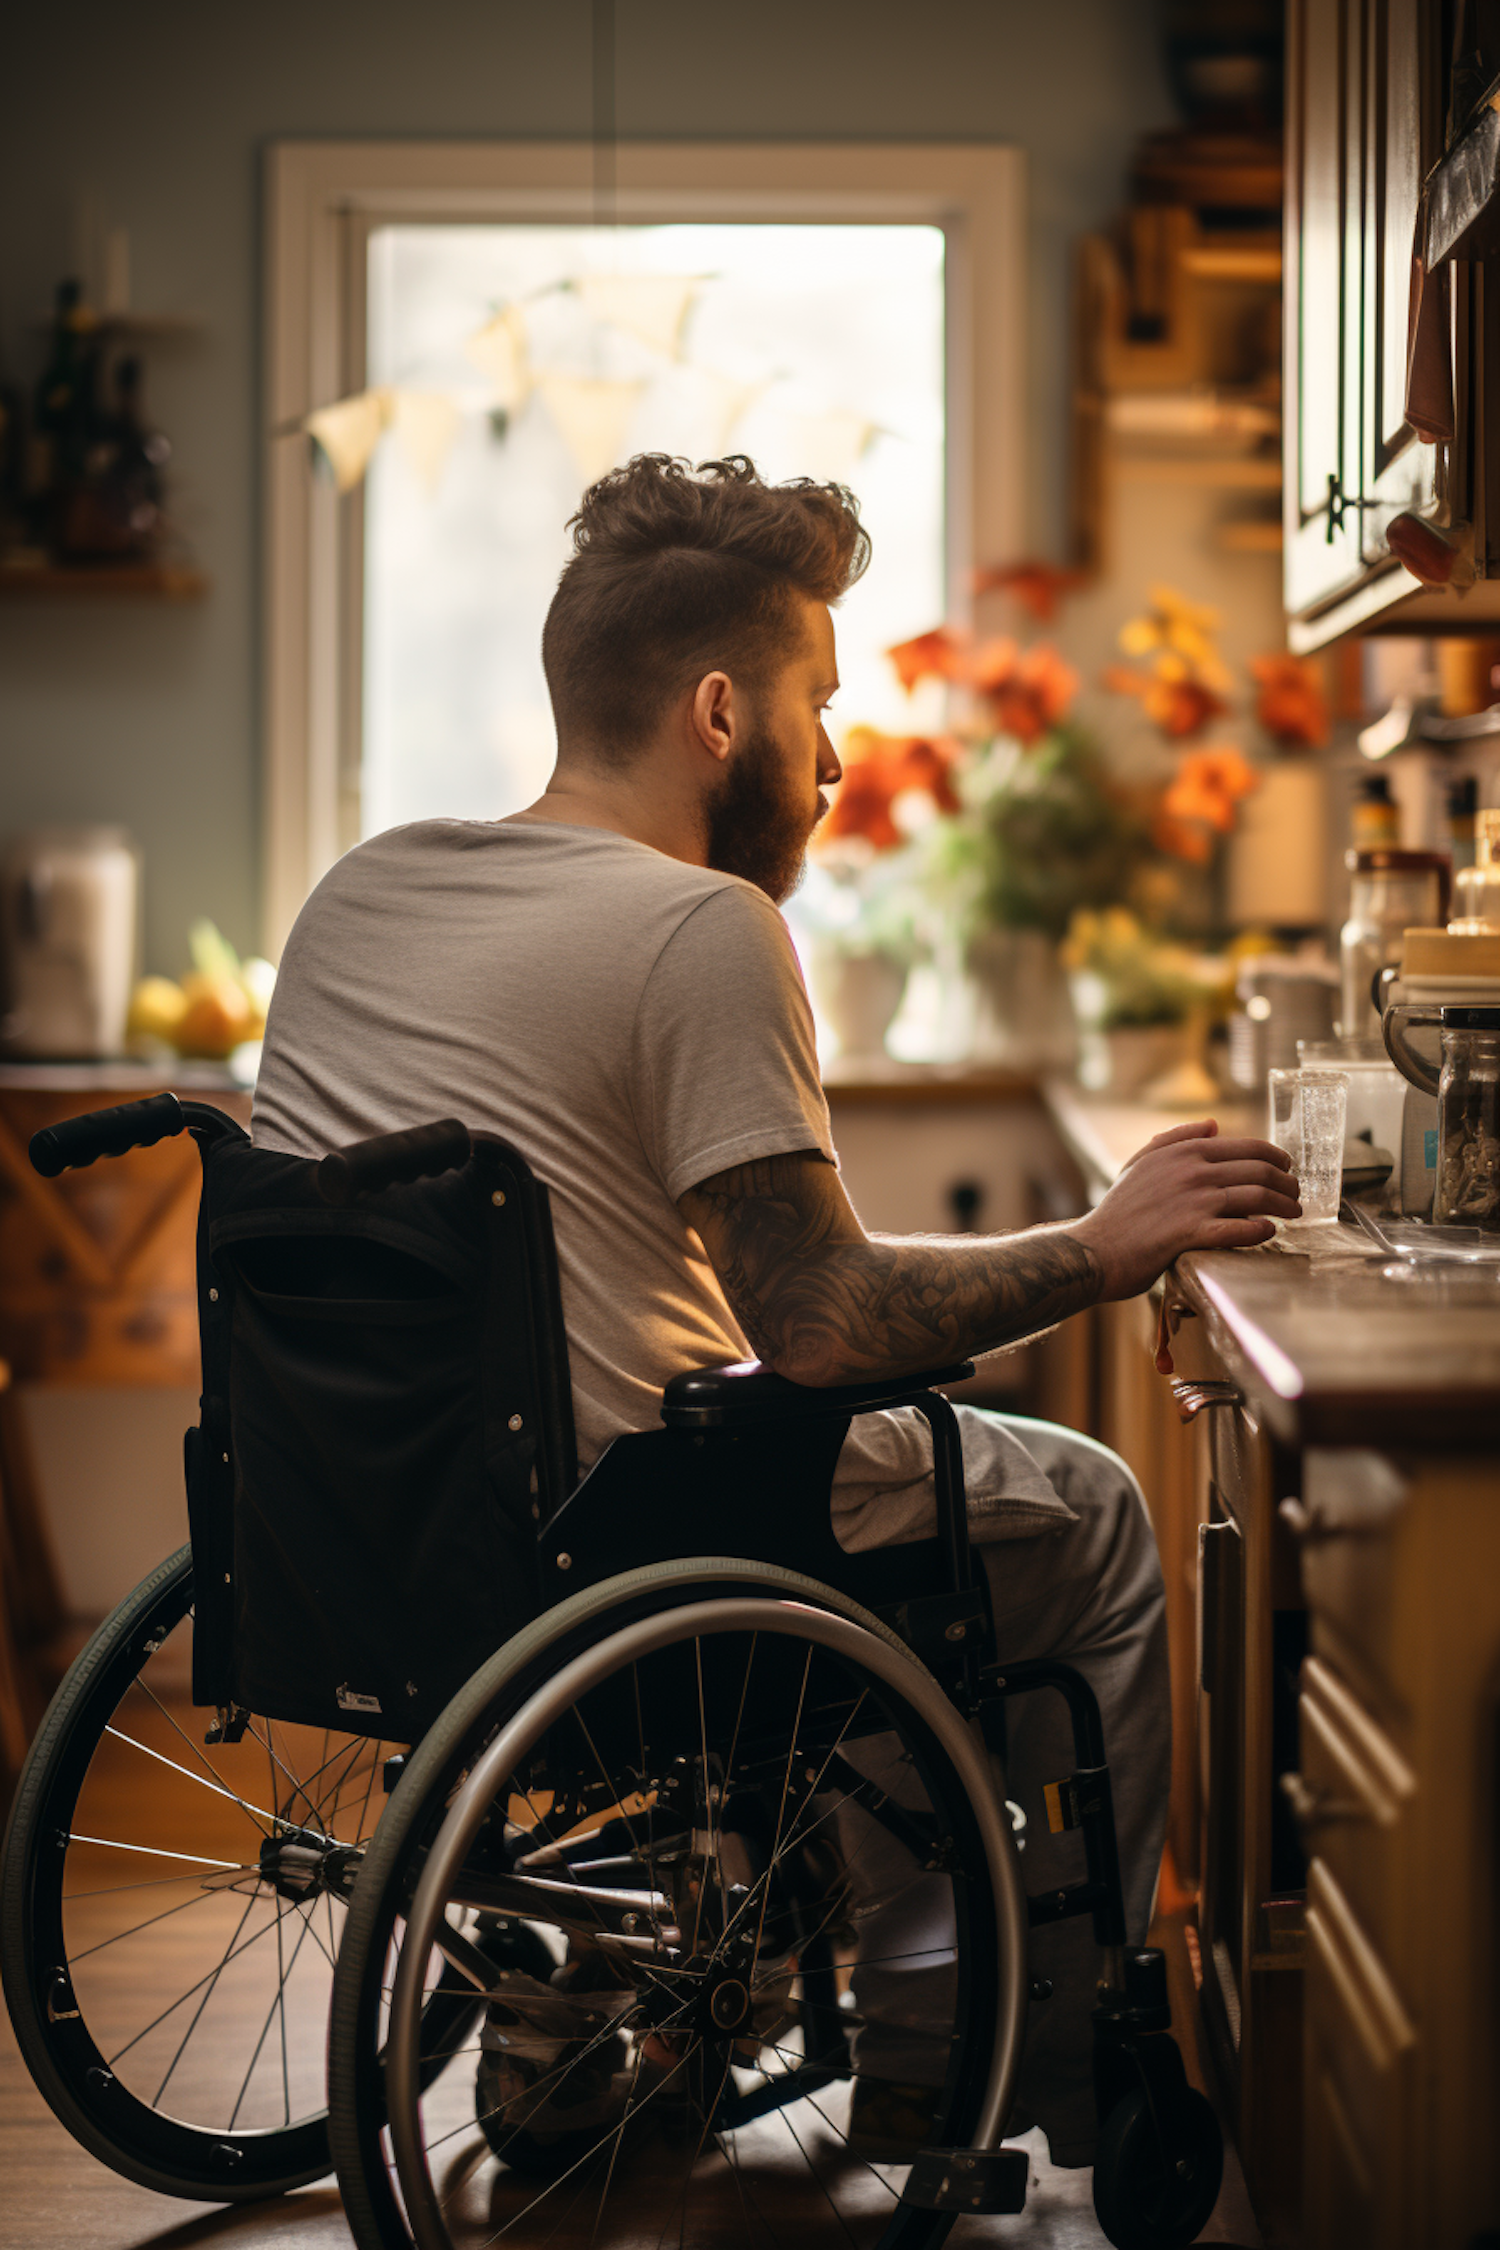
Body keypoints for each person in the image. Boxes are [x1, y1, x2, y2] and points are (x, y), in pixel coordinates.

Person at [252, 453, 1299, 2168]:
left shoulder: (360, 893)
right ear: (720, 708)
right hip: (627, 1552)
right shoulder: (702, 925)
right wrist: (1105, 1245)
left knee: (857, 1478)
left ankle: (622, 1981)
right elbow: (819, 1320)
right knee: (1085, 1513)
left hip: (365, 1539)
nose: (837, 755)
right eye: (820, 700)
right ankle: (957, 2053)